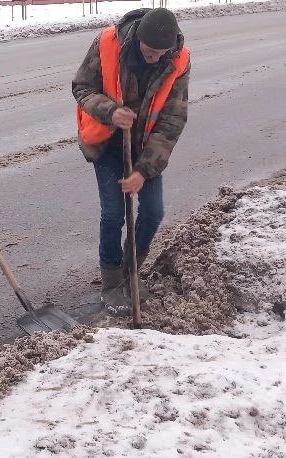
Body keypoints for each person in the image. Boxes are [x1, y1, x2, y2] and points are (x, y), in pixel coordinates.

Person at [72, 8, 190, 311]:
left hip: (146, 145)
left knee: (153, 211)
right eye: (149, 51)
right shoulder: (107, 43)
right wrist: (110, 111)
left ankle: (130, 270)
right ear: (138, 38)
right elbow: (82, 87)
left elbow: (172, 122)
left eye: (160, 54)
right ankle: (111, 281)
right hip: (107, 141)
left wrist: (143, 170)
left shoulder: (179, 60)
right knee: (114, 212)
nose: (153, 58)